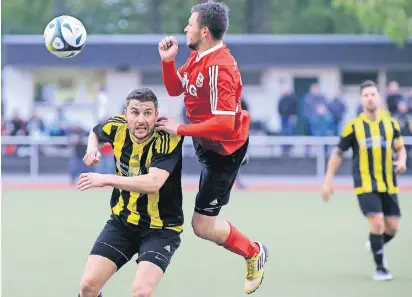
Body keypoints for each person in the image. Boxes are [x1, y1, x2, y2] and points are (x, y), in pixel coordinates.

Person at [156, 2, 267, 294]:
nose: (185, 28)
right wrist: (168, 61)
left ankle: (253, 251)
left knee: (203, 226)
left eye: (189, 24)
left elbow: (224, 124)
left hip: (224, 153)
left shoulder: (221, 66)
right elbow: (174, 89)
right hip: (205, 141)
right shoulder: (198, 57)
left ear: (204, 30)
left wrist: (179, 129)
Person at [76, 87, 184, 297]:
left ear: (156, 114)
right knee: (88, 286)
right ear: (125, 114)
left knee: (140, 292)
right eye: (135, 112)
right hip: (123, 223)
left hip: (161, 229)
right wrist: (91, 149)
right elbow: (95, 132)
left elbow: (153, 183)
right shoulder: (116, 126)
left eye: (147, 113)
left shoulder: (167, 138)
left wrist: (105, 179)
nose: (141, 120)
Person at [321, 80, 407, 281]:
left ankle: (375, 243)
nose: (370, 98)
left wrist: (402, 160)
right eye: (366, 95)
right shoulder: (353, 126)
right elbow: (337, 154)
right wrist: (328, 181)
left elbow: (400, 147)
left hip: (389, 183)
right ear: (361, 100)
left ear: (379, 97)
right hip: (365, 184)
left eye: (373, 94)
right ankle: (380, 268)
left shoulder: (391, 123)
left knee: (393, 228)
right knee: (377, 222)